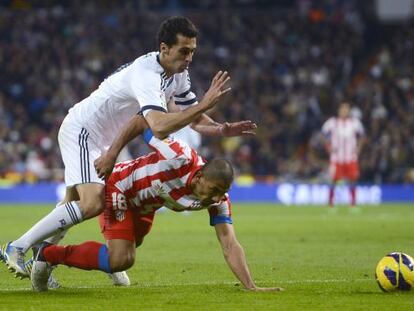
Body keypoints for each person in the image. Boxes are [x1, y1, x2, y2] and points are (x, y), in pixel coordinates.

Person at [1, 16, 256, 280]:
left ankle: (43, 259)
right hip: (85, 129)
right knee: (92, 203)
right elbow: (156, 125)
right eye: (184, 51)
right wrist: (204, 104)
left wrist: (220, 129)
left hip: (105, 138)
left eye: (192, 51)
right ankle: (17, 246)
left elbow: (192, 117)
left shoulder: (178, 75)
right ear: (164, 48)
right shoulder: (147, 73)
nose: (189, 58)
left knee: (73, 204)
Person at [30, 128, 282, 293]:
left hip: (146, 205)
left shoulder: (218, 200)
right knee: (122, 258)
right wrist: (112, 152)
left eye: (221, 192)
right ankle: (48, 254)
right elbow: (145, 126)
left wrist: (250, 285)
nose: (216, 197)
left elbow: (229, 242)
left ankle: (107, 261)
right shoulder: (180, 156)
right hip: (120, 187)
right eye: (214, 189)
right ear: (200, 176)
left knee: (131, 245)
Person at [321, 102, 365, 207]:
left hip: (351, 157)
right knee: (333, 180)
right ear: (339, 110)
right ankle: (331, 203)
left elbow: (363, 136)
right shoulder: (332, 122)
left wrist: (359, 148)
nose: (344, 111)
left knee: (353, 179)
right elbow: (322, 134)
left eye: (346, 109)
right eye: (342, 109)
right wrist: (328, 147)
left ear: (349, 111)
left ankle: (353, 204)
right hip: (336, 158)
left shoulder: (355, 123)